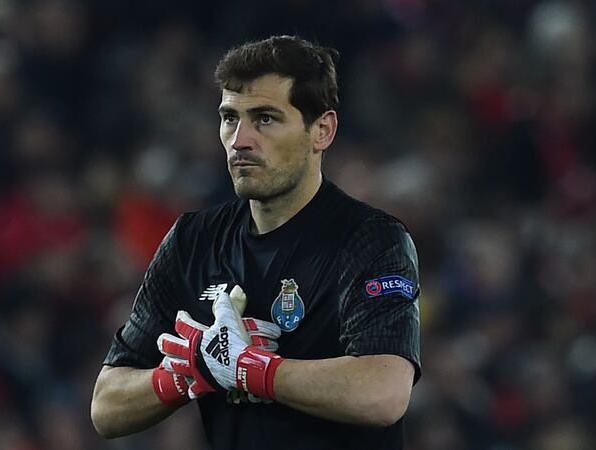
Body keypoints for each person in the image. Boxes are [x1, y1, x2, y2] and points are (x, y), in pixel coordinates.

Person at [91, 35, 421, 450]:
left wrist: (252, 369)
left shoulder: (371, 239)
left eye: (265, 118)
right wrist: (191, 369)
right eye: (230, 118)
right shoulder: (193, 241)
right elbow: (106, 405)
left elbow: (383, 393)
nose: (240, 140)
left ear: (322, 130)